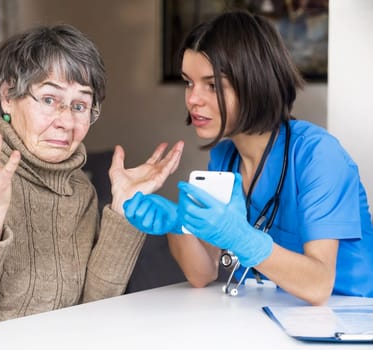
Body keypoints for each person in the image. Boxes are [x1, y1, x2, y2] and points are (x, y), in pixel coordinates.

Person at [0, 24, 183, 346]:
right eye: (50, 99)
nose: (66, 121)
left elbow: (96, 305)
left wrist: (122, 210)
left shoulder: (78, 188)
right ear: (8, 97)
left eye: (80, 105)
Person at [123, 10, 373, 306]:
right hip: (271, 312)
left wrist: (242, 238)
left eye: (212, 85)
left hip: (350, 316)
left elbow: (319, 285)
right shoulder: (224, 159)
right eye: (189, 82)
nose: (192, 99)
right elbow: (202, 272)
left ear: (255, 83)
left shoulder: (318, 156)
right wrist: (178, 225)